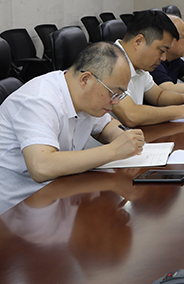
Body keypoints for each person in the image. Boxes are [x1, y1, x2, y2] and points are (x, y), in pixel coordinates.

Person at [0, 42, 145, 214]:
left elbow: (107, 125)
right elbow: (41, 166)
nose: (116, 102)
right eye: (113, 93)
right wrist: (114, 150)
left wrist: (123, 137)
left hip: (60, 195)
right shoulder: (39, 100)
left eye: (120, 95)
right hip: (19, 211)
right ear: (85, 79)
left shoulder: (86, 97)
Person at [112, 10, 184, 127]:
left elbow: (159, 96)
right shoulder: (111, 63)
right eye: (161, 51)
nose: (163, 58)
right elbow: (131, 115)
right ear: (138, 41)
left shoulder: (139, 66)